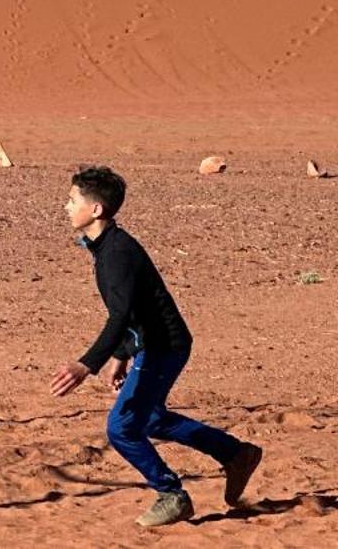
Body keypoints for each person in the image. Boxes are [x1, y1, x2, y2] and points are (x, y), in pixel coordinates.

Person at [51, 166, 263, 529]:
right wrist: (121, 355)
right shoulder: (107, 247)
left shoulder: (117, 253)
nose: (65, 207)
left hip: (164, 346)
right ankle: (234, 453)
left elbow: (120, 317)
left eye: (72, 200)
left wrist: (87, 365)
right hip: (154, 344)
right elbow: (135, 311)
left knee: (121, 427)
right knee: (149, 419)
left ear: (96, 209)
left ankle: (172, 495)